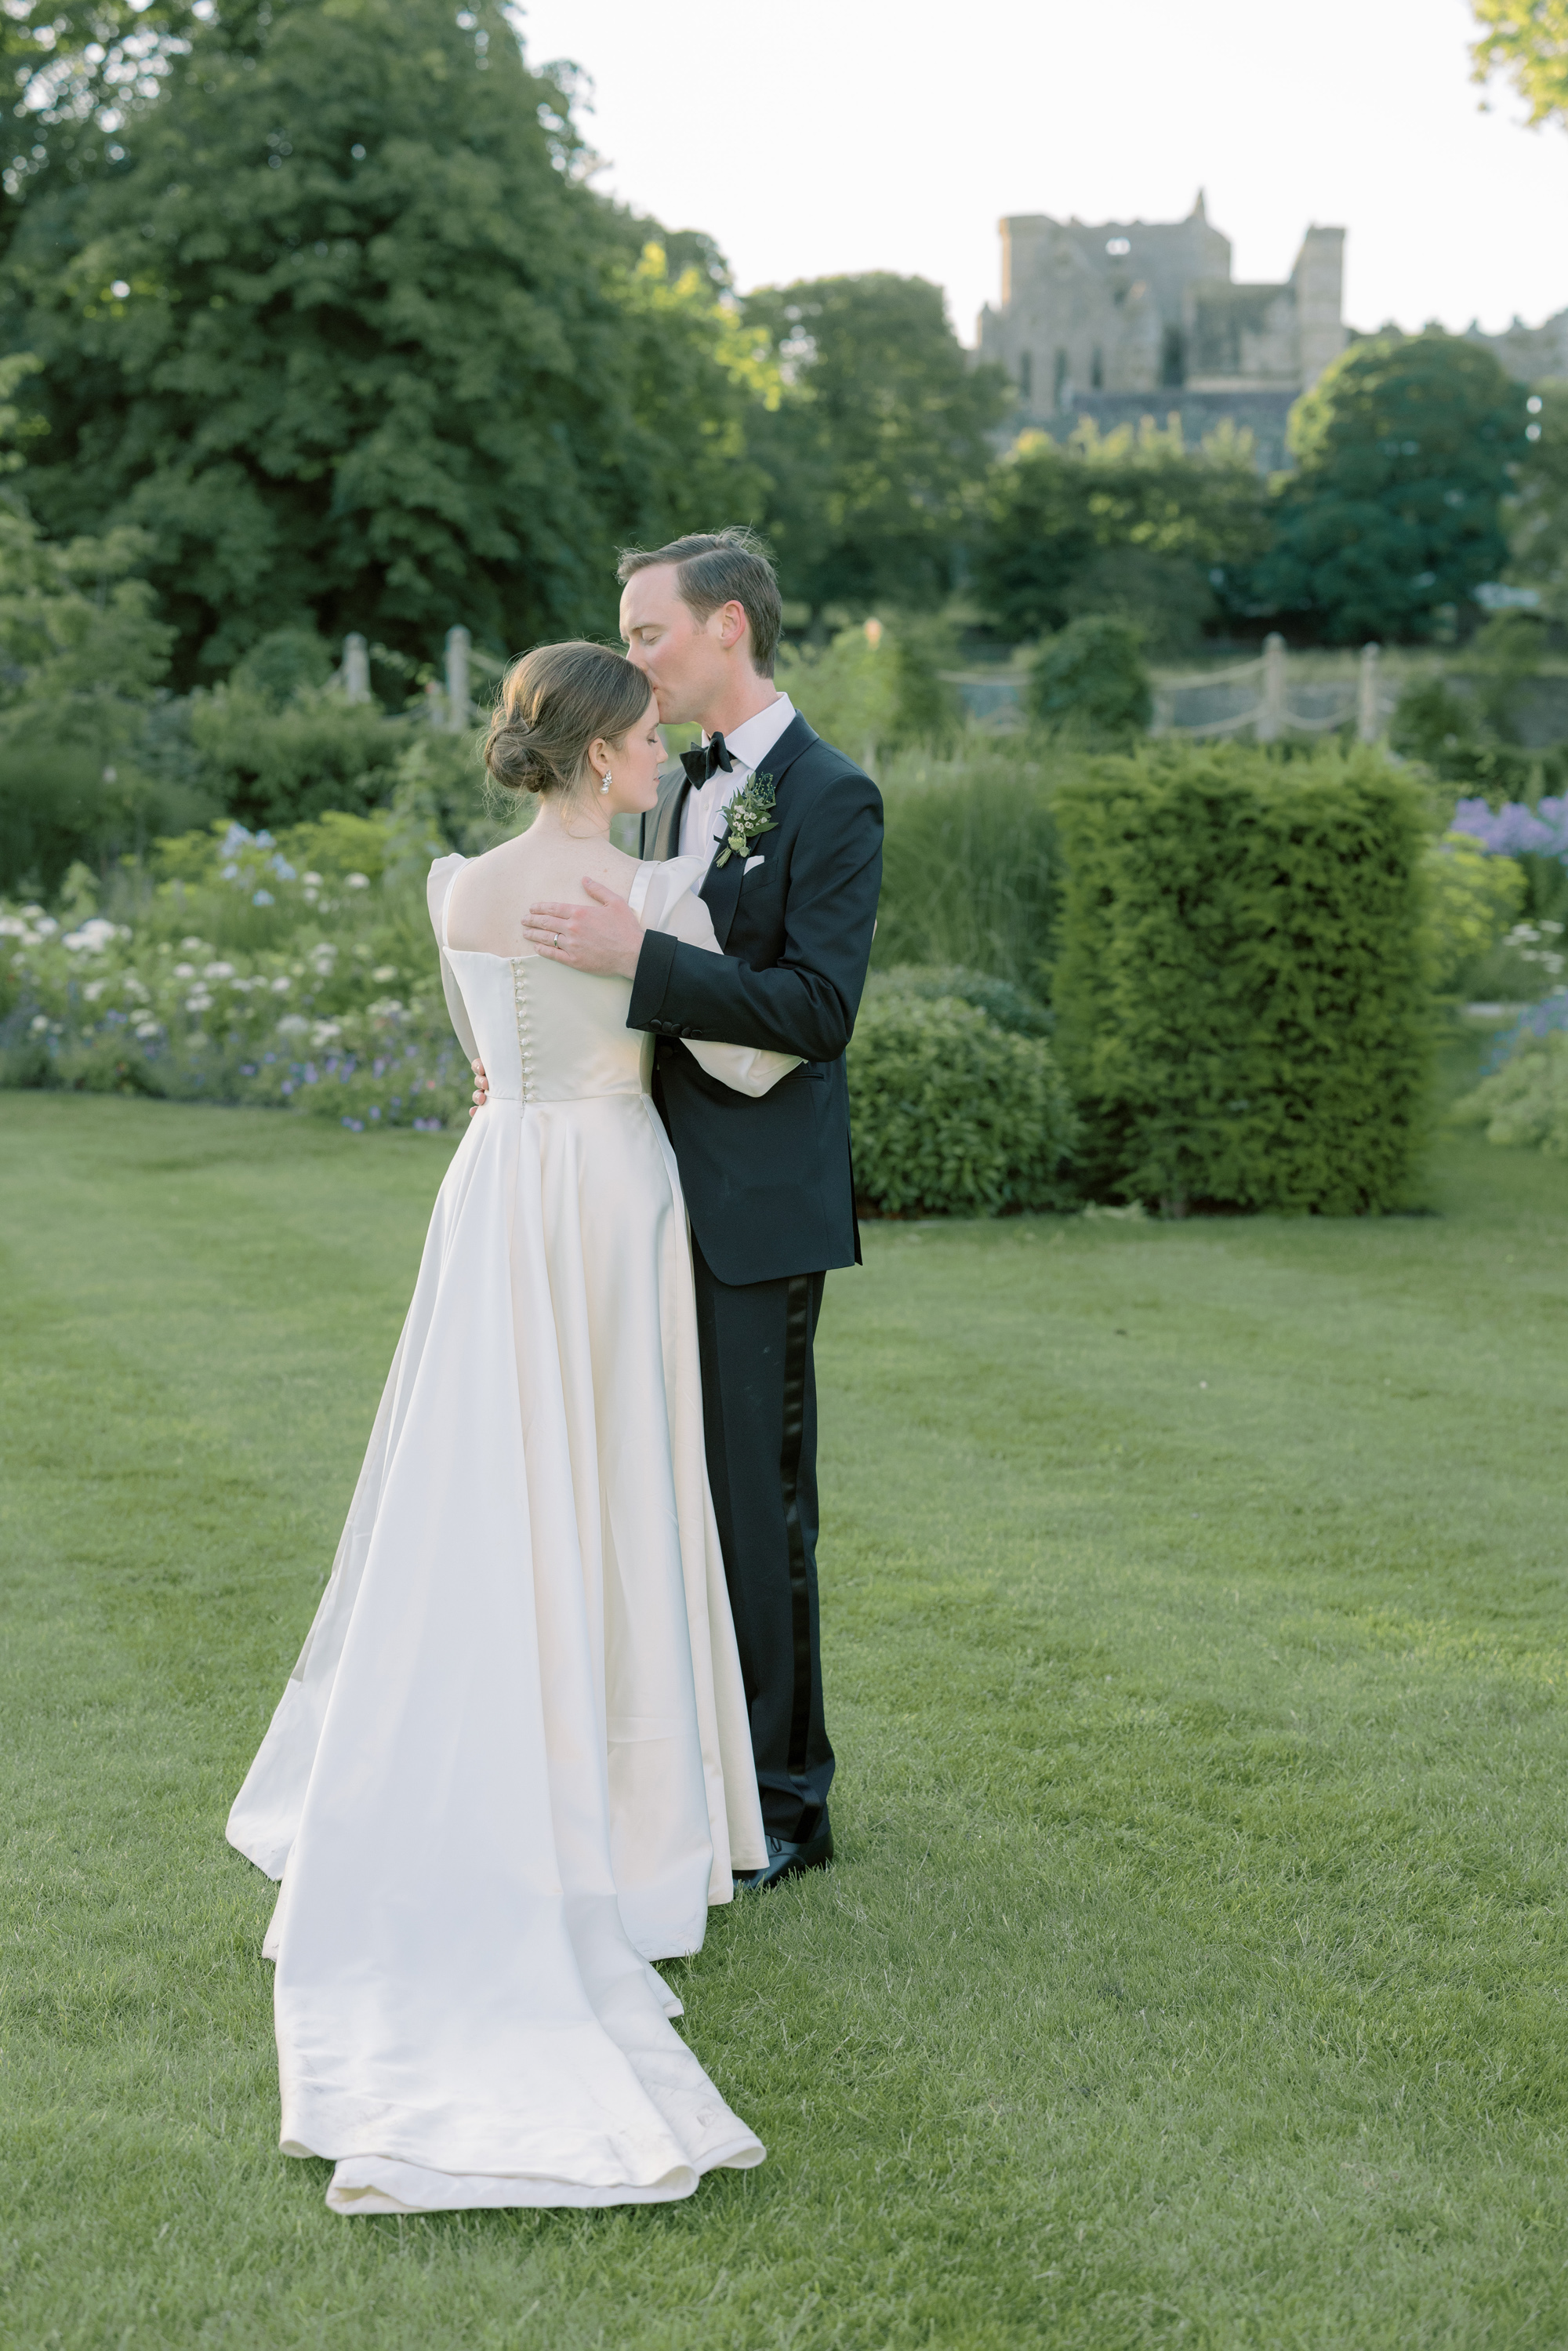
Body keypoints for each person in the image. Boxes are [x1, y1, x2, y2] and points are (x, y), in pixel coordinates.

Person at [227, 641, 802, 2215]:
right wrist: (702, 952)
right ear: (605, 753)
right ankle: (631, 1814)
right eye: (642, 737)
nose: (656, 749)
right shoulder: (655, 898)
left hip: (497, 1190)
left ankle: (530, 1742)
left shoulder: (455, 888)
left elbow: (490, 1056)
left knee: (493, 1471)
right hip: (608, 1190)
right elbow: (753, 1049)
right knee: (616, 1482)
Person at [499, 529, 884, 1889]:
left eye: (648, 633)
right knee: (648, 1495)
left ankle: (789, 1803)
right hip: (639, 1192)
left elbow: (817, 1013)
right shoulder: (664, 791)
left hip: (754, 1213)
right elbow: (613, 964)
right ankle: (689, 1776)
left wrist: (644, 962)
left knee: (753, 1503)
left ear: (728, 626)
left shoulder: (833, 796)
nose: (634, 660)